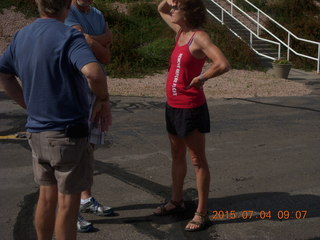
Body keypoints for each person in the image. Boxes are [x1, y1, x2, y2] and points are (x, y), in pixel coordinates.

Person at [0, 0, 112, 239]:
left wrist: (26, 103)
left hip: (37, 132)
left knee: (46, 197)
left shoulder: (22, 35)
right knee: (67, 206)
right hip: (67, 134)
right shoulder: (69, 36)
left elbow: (4, 74)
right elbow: (93, 72)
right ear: (66, 4)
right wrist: (103, 99)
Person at [154, 0, 230, 232]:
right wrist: (169, 2)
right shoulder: (181, 32)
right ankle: (177, 200)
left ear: (188, 14)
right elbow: (161, 9)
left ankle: (202, 212)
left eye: (178, 8)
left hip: (191, 107)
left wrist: (203, 78)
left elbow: (223, 64)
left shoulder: (199, 37)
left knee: (197, 160)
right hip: (173, 105)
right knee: (176, 154)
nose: (173, 11)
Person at [64, 0, 113, 232]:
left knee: (89, 147)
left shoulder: (97, 13)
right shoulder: (67, 11)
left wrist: (92, 39)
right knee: (72, 150)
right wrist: (97, 40)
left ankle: (85, 199)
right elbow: (81, 40)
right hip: (77, 86)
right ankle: (69, 211)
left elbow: (106, 50)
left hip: (96, 88)